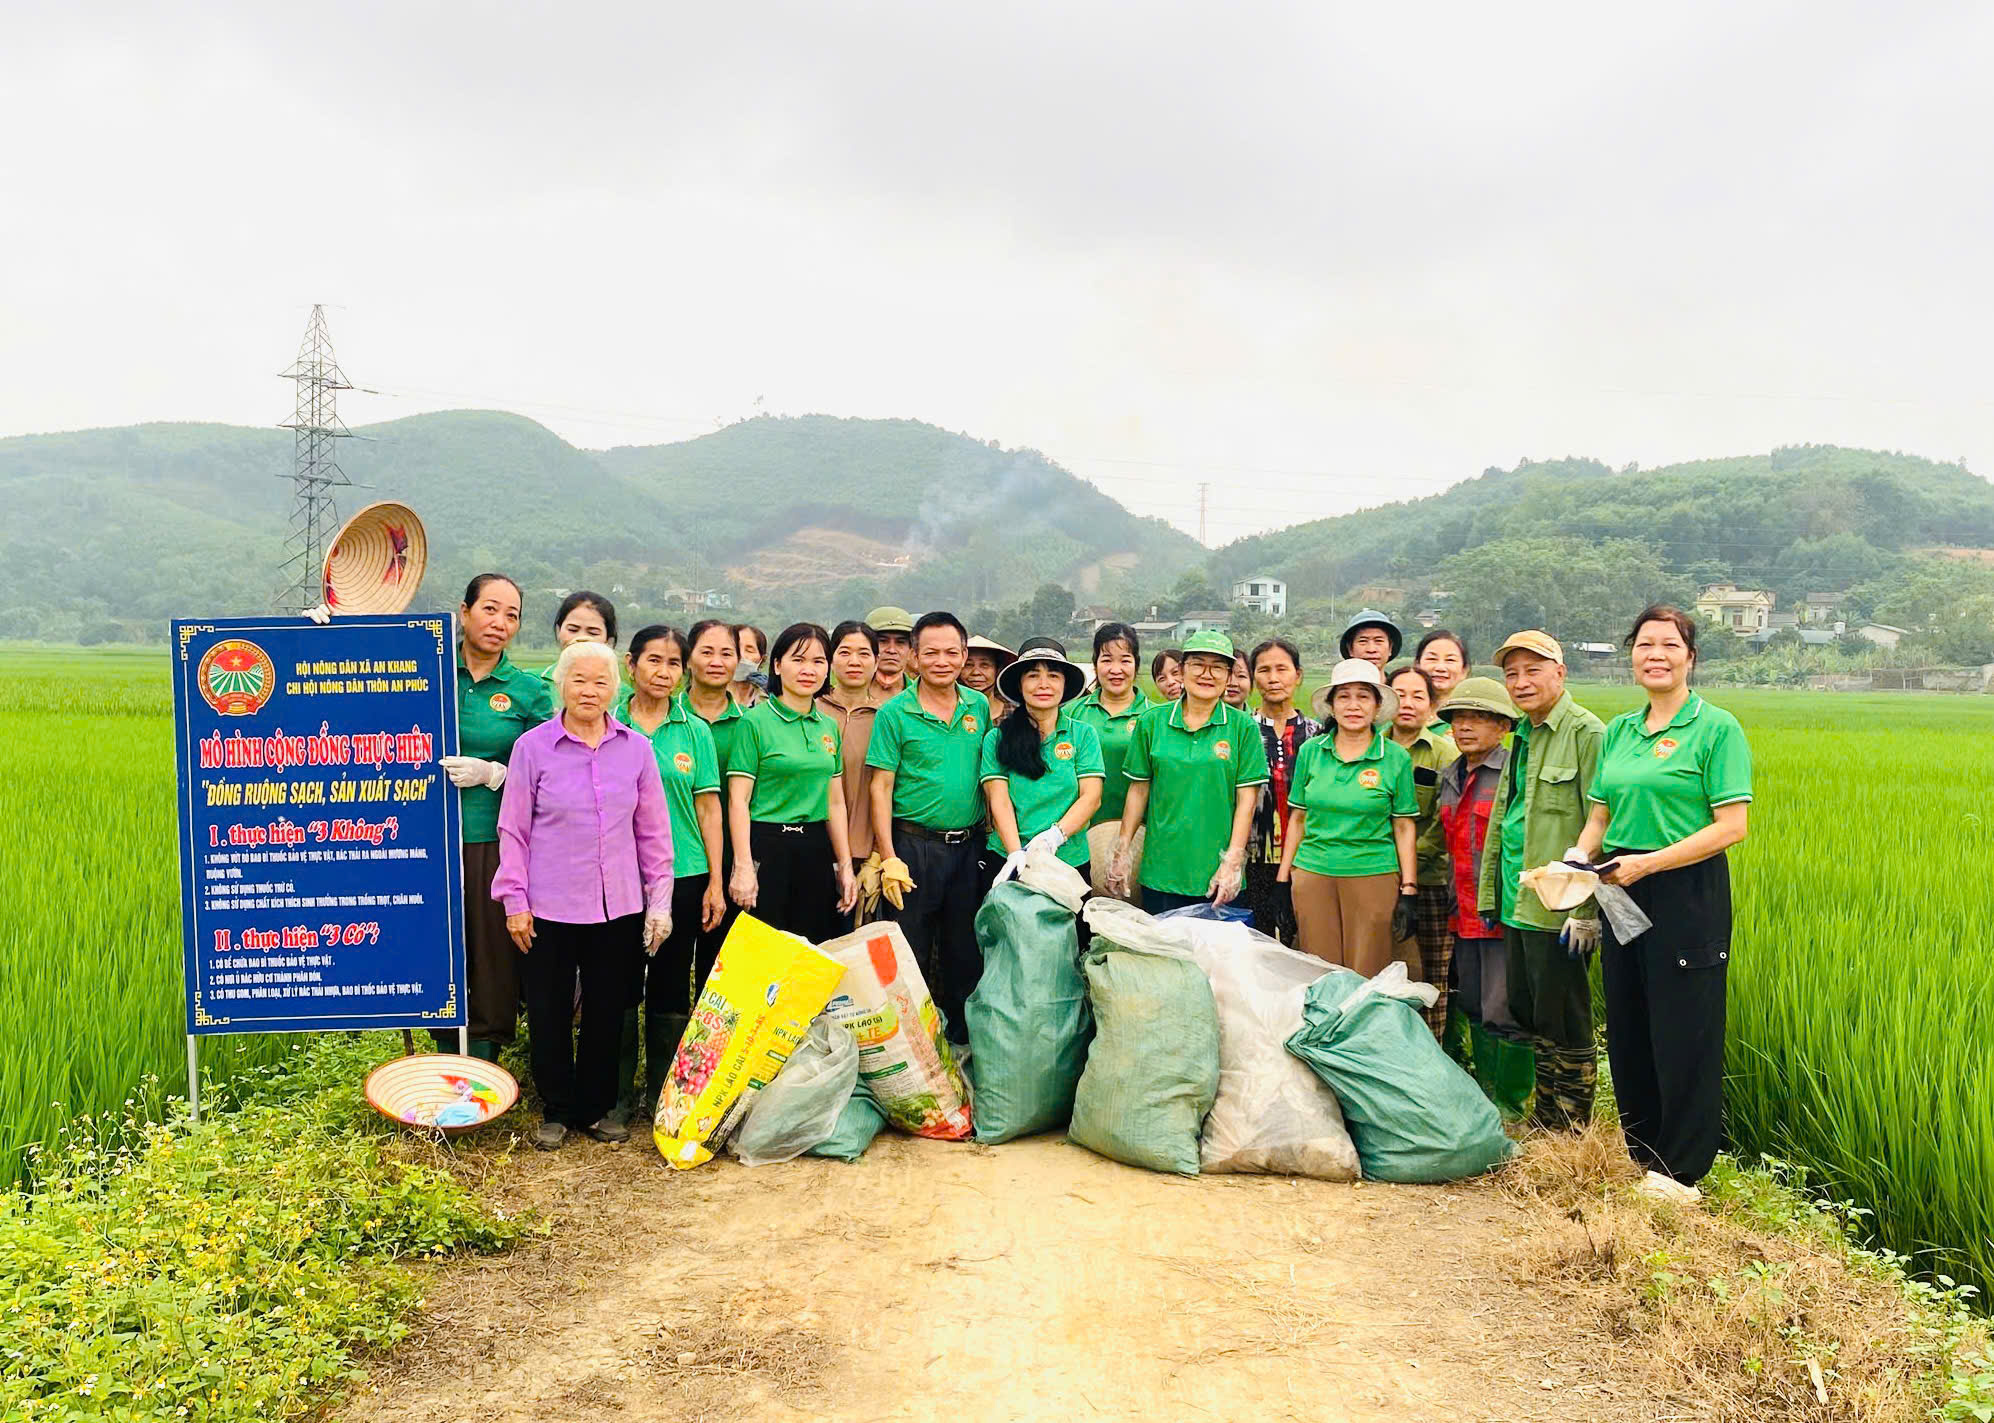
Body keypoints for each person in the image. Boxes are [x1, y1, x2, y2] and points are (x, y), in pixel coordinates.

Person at [1576, 606, 1751, 1201]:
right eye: (1645, 644)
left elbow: (1731, 826)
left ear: (1689, 657)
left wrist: (1650, 863)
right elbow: (1600, 813)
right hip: (1618, 883)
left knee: (1685, 1024)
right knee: (1629, 1019)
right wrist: (1577, 862)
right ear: (1631, 655)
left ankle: (1681, 1171)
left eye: (1669, 644)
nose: (1656, 653)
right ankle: (1641, 1152)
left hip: (1685, 888)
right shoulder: (1621, 730)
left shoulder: (1716, 728)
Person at [494, 639, 673, 1149]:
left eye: (600, 682)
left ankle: (594, 1109)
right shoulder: (532, 747)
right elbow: (514, 831)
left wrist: (658, 904)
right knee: (548, 1009)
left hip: (616, 905)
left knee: (607, 1009)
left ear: (615, 689)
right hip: (547, 906)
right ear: (561, 685)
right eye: (579, 680)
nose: (589, 691)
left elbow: (653, 834)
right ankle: (556, 1107)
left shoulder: (636, 749)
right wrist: (515, 902)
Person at [1475, 630, 1606, 1134]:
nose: (1521, 682)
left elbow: (1603, 821)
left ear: (1560, 672)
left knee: (1565, 1016)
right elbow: (1507, 826)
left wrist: (1586, 910)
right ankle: (1544, 1117)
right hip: (1518, 900)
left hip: (1561, 905)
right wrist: (1493, 892)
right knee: (1530, 1011)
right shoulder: (1524, 736)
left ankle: (1571, 1129)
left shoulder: (1586, 733)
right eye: (1512, 673)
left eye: (1533, 670)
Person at [608, 626, 726, 1125]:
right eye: (653, 660)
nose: (664, 671)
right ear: (630, 664)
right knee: (616, 982)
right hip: (616, 876)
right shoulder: (606, 722)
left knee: (673, 985)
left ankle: (665, 1095)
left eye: (674, 663)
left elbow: (709, 809)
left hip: (685, 873)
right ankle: (613, 1094)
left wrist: (716, 880)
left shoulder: (694, 730)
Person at [438, 574, 553, 1062]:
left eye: (512, 615)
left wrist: (494, 774)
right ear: (464, 612)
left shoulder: (527, 692)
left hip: (492, 838)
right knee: (435, 949)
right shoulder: (422, 670)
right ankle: (441, 1057)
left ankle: (483, 1064)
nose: (500, 623)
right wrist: (324, 630)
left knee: (489, 953)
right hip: (418, 837)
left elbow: (553, 771)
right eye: (490, 609)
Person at [866, 611, 991, 1037]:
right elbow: (880, 788)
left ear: (964, 655)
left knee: (964, 952)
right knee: (909, 952)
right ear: (914, 657)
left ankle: (961, 1044)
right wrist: (888, 857)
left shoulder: (978, 706)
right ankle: (911, 1050)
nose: (943, 661)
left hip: (969, 848)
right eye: (931, 652)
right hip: (914, 848)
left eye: (951, 652)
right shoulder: (895, 714)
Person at [1108, 631, 1268, 915]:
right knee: (1166, 955)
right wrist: (1122, 850)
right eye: (1198, 664)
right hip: (1162, 870)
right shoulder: (1152, 722)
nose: (1207, 674)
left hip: (1216, 875)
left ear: (1229, 674)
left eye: (1218, 667)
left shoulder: (1243, 727)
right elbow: (1139, 790)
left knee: (1216, 957)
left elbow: (1246, 801)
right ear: (1182, 670)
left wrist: (1232, 861)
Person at [1277, 660, 1418, 973]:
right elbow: (1298, 818)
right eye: (1344, 696)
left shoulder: (1394, 757)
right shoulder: (1312, 751)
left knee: (1367, 971)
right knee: (1319, 970)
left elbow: (1404, 826)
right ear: (1331, 705)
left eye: (1363, 696)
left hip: (1373, 873)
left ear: (1377, 705)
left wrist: (1409, 888)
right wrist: (1283, 881)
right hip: (1313, 873)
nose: (1353, 706)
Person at [1436, 677, 1533, 1119]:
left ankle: (1510, 1107)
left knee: (1503, 1008)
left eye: (1479, 718)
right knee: (1473, 1001)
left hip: (1501, 911)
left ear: (1502, 726)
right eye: (1459, 718)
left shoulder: (1516, 774)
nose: (1466, 727)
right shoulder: (1451, 776)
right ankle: (1485, 1097)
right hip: (1462, 910)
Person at [726, 623, 859, 942]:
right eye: (798, 659)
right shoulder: (754, 722)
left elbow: (835, 803)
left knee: (812, 953)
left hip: (814, 847)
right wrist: (743, 865)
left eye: (818, 661)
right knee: (762, 957)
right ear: (776, 665)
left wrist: (844, 864)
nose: (808, 670)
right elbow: (738, 801)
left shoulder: (827, 726)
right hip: (767, 846)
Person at [981, 638, 1103, 887]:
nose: (1043, 685)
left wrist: (1054, 837)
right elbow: (999, 799)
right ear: (1020, 683)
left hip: (1068, 860)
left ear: (1065, 683)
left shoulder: (1082, 734)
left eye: (1054, 676)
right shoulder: (998, 737)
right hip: (1008, 857)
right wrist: (1016, 853)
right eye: (1033, 675)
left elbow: (1091, 797)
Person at [1384, 665, 1460, 1034]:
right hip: (1375, 875)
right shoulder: (1371, 747)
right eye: (1400, 694)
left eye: (1419, 696)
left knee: (1430, 978)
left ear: (1432, 705)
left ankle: (1433, 1060)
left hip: (1429, 881)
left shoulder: (1445, 755)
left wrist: (1407, 865)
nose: (1408, 703)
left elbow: (1446, 824)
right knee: (1380, 971)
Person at [1242, 637, 1319, 944]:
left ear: (1297, 675)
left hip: (1307, 856)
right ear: (1252, 677)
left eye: (1282, 669)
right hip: (1252, 856)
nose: (1273, 678)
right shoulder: (1242, 729)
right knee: (1256, 943)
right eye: (1263, 670)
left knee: (1304, 941)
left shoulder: (1317, 734)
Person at [1070, 622, 1152, 898]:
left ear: (1136, 665)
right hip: (1078, 840)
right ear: (1095, 664)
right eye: (1107, 660)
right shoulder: (1071, 714)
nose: (1116, 670)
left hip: (1143, 839)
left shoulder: (1155, 717)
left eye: (1125, 660)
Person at [820, 620, 882, 923]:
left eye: (864, 654)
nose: (854, 662)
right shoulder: (810, 709)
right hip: (812, 850)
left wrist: (877, 857)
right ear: (831, 659)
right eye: (844, 652)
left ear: (877, 661)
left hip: (866, 857)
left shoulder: (889, 718)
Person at [538, 590, 618, 688]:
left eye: (593, 633)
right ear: (559, 630)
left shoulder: (624, 695)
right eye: (573, 630)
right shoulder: (531, 683)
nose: (581, 638)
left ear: (608, 640)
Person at [1415, 630, 1470, 730]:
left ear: (1464, 670)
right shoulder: (1401, 713)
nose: (1440, 667)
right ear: (1417, 665)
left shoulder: (1471, 719)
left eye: (1450, 660)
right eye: (1432, 659)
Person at [963, 636, 1018, 723]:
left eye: (985, 665)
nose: (976, 672)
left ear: (998, 669)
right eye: (968, 665)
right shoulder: (950, 712)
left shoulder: (1015, 714)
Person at [865, 605, 915, 699]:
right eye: (883, 641)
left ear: (910, 650)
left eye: (900, 642)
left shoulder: (922, 698)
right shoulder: (846, 695)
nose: (892, 650)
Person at [731, 624, 768, 708]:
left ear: (761, 659)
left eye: (749, 650)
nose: (741, 655)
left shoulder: (767, 699)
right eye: (735, 648)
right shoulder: (710, 694)